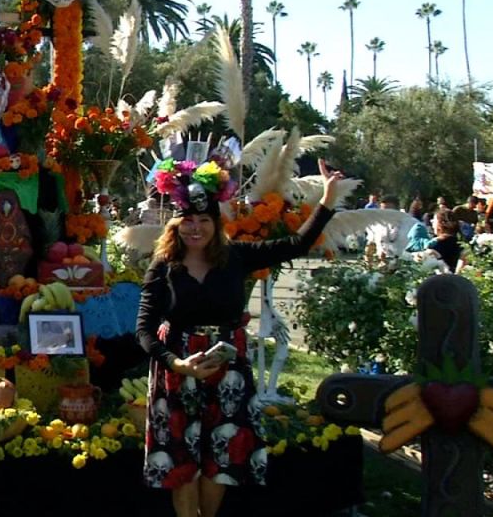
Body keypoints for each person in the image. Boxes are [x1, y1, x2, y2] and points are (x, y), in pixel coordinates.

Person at [138, 157, 343, 517]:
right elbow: (143, 328)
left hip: (228, 367)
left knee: (223, 454)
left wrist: (327, 200)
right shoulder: (163, 266)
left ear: (217, 225)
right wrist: (176, 363)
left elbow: (296, 243)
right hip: (177, 369)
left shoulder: (236, 257)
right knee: (180, 455)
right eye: (188, 221)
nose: (196, 229)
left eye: (204, 221)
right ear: (175, 224)